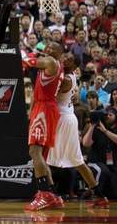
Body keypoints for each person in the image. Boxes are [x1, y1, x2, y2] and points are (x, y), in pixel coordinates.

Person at [47, 53, 108, 208]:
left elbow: (49, 94)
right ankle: (100, 195)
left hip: (63, 120)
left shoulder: (67, 79)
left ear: (74, 66)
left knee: (43, 157)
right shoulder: (66, 73)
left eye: (68, 59)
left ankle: (50, 195)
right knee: (77, 161)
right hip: (65, 118)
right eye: (65, 56)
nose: (64, 59)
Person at [23, 42, 65, 211]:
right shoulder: (53, 64)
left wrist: (28, 53)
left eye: (52, 48)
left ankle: (44, 194)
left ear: (59, 53)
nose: (48, 50)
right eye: (47, 47)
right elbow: (36, 90)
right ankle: (52, 194)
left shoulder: (50, 61)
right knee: (40, 154)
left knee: (34, 151)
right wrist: (31, 111)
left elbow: (27, 61)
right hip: (45, 107)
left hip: (45, 108)